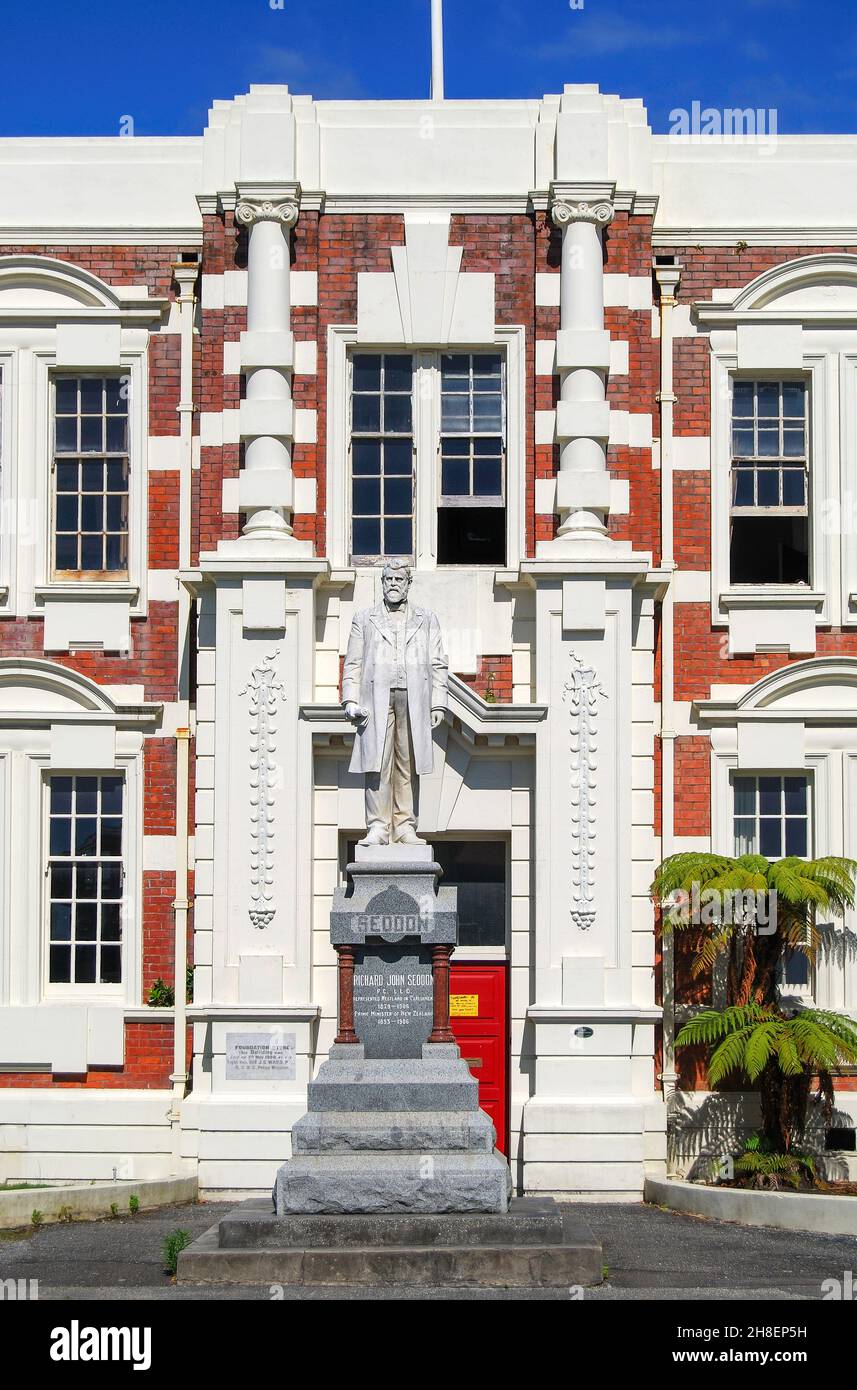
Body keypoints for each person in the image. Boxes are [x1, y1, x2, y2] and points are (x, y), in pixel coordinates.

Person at [342, 560, 448, 846]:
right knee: (377, 763)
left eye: (398, 580)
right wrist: (350, 699)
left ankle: (404, 826)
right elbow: (353, 663)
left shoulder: (426, 619)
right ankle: (377, 826)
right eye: (388, 579)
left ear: (408, 584)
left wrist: (438, 702)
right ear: (382, 583)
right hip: (375, 699)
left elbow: (438, 664)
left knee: (407, 763)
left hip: (413, 698)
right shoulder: (364, 618)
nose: (393, 584)